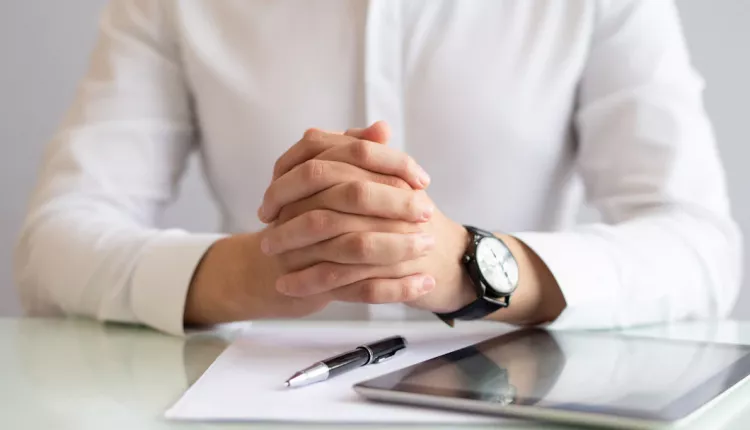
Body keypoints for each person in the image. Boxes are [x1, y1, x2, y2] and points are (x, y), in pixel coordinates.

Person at [15, 0, 741, 336]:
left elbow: (703, 247)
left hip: (519, 398)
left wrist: (471, 264)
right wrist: (261, 270)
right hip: (246, 401)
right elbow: (53, 243)